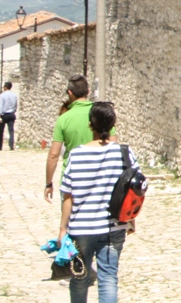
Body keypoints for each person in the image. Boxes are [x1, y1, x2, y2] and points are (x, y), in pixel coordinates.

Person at [58, 101, 137, 303]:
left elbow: (68, 196)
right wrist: (131, 219)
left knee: (79, 277)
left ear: (90, 124)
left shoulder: (76, 155)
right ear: (112, 124)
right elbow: (134, 190)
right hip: (113, 226)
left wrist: (62, 229)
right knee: (108, 277)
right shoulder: (124, 153)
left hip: (82, 228)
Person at [46, 76, 111, 201]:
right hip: (100, 177)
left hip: (73, 178)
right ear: (88, 91)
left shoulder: (63, 119)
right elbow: (113, 144)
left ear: (70, 93)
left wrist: (48, 183)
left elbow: (54, 154)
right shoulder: (100, 114)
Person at [0, 81, 18, 151]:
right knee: (11, 130)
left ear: (5, 87)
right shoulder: (14, 95)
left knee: (1, 131)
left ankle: (0, 146)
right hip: (11, 114)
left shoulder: (2, 95)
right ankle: (11, 145)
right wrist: (14, 111)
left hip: (4, 114)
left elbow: (1, 106)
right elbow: (15, 105)